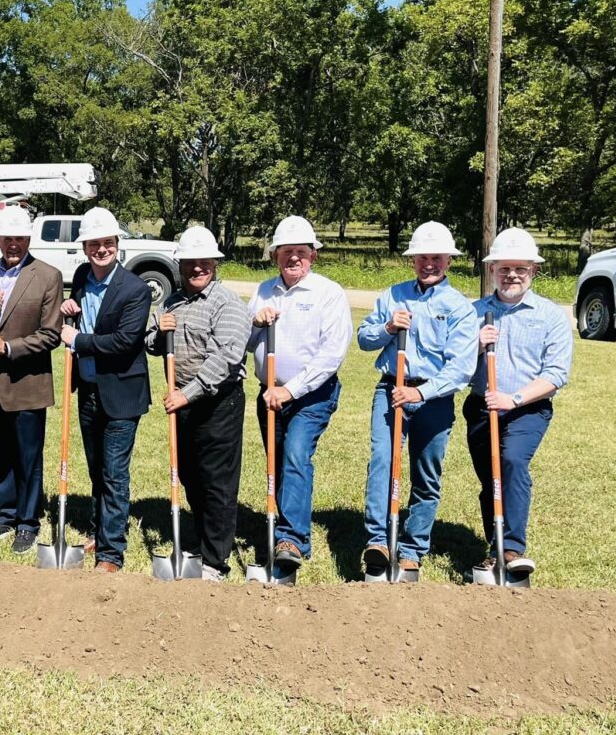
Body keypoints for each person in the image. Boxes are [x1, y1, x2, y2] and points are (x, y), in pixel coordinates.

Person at [357, 221, 477, 575]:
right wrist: (388, 328)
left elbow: (461, 369)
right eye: (423, 256)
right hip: (391, 388)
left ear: (449, 261)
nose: (429, 263)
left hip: (434, 397)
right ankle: (378, 540)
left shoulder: (459, 308)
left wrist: (420, 391)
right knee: (382, 459)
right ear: (413, 259)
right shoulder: (392, 296)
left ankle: (412, 547)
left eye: (436, 257)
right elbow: (364, 339)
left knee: (427, 472)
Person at [465, 228, 572, 576]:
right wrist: (476, 346)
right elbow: (453, 366)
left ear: (534, 271)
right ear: (492, 269)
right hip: (482, 407)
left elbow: (556, 374)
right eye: (504, 268)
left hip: (528, 408)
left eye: (520, 269)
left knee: (510, 462)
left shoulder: (550, 316)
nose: (512, 275)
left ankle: (512, 548)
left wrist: (513, 399)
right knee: (490, 479)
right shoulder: (474, 313)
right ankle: (494, 547)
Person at [247, 216, 352, 569]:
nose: (294, 258)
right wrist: (255, 324)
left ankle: (292, 540)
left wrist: (290, 390)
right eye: (286, 251)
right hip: (269, 394)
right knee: (276, 463)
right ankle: (282, 529)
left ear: (313, 255)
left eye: (301, 252)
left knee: (294, 456)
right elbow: (243, 343)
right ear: (275, 255)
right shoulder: (263, 291)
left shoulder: (328, 293)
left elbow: (332, 354)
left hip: (312, 395)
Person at [145, 226, 249, 581]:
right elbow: (151, 341)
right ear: (180, 265)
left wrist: (185, 395)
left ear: (215, 264)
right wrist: (159, 331)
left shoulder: (229, 304)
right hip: (183, 402)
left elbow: (224, 360)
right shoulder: (172, 301)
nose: (197, 268)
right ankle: (202, 540)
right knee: (190, 476)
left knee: (216, 482)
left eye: (204, 262)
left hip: (218, 403)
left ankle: (216, 561)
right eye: (190, 263)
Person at [59, 207, 151, 573]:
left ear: (117, 245)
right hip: (89, 390)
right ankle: (100, 530)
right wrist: (70, 307)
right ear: (85, 248)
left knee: (114, 473)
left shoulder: (135, 289)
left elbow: (125, 343)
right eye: (95, 243)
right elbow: (79, 310)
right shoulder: (83, 276)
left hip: (122, 395)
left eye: (107, 243)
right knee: (97, 469)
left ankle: (111, 554)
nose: (101, 249)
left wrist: (78, 339)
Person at [0, 206, 63, 554]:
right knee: (2, 454)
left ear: (28, 239)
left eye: (19, 239)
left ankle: (28, 521)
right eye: (7, 238)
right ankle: (6, 515)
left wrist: (8, 347)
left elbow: (51, 334)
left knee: (28, 456)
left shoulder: (47, 275)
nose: (13, 245)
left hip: (27, 382)